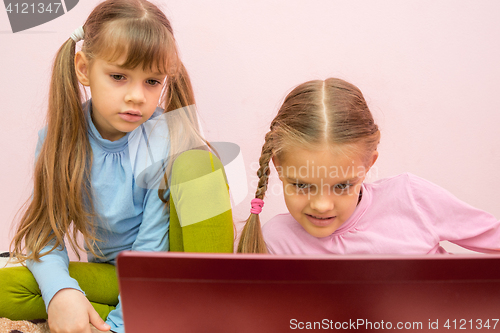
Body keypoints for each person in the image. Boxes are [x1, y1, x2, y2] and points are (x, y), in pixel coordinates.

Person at [0, 1, 233, 332]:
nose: (137, 96)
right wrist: (61, 294)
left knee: (199, 162)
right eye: (119, 77)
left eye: (152, 81)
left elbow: (151, 248)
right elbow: (45, 231)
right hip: (115, 276)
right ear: (83, 68)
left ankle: (194, 312)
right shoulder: (56, 139)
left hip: (169, 270)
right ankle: (121, 313)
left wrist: (121, 325)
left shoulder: (162, 137)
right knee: (7, 287)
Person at [237, 77, 500, 255]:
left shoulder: (411, 199)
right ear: (279, 168)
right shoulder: (274, 241)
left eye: (341, 185)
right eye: (302, 185)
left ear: (368, 164)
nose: (321, 205)